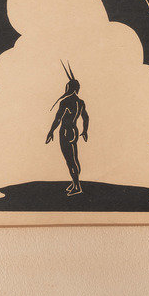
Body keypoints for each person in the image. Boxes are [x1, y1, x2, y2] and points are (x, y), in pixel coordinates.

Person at [46, 61, 89, 196]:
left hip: (65, 132)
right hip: (75, 131)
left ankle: (77, 186)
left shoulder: (65, 102)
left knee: (70, 160)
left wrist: (51, 131)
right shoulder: (80, 102)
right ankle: (75, 182)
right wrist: (85, 131)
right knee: (74, 158)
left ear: (68, 88)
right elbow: (86, 117)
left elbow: (58, 119)